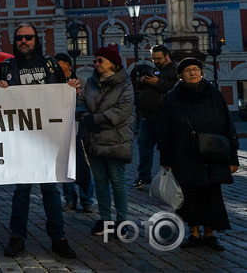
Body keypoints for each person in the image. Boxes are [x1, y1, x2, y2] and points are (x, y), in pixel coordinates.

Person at [0, 23, 78, 259]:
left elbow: (65, 94)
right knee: (22, 190)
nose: (24, 41)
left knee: (51, 190)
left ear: (36, 39)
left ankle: (58, 238)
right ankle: (17, 238)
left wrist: (71, 89)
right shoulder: (8, 66)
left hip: (48, 138)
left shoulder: (49, 65)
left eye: (28, 37)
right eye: (19, 38)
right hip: (20, 139)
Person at [159, 58, 239, 251]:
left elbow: (228, 126)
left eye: (196, 69)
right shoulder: (172, 97)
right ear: (181, 75)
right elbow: (165, 130)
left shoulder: (214, 94)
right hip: (184, 152)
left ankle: (210, 233)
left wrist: (232, 157)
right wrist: (166, 159)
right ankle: (193, 232)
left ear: (202, 72)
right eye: (188, 70)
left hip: (213, 152)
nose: (193, 73)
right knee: (189, 194)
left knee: (212, 193)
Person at [76, 45, 134, 237]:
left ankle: (121, 221)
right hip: (93, 137)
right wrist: (82, 113)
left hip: (115, 139)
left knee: (117, 181)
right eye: (96, 60)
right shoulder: (91, 81)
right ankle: (105, 220)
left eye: (101, 60)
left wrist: (95, 119)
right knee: (100, 181)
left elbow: (123, 110)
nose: (97, 63)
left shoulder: (125, 83)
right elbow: (81, 100)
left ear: (113, 64)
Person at [132, 45, 177, 190]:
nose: (156, 61)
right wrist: (143, 81)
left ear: (167, 56)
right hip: (147, 117)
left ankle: (170, 180)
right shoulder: (154, 69)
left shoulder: (175, 70)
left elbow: (175, 88)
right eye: (154, 58)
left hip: (164, 118)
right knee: (144, 148)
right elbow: (142, 87)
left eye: (158, 58)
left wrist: (157, 82)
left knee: (166, 150)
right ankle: (143, 177)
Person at [54, 53, 94, 214]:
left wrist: (78, 94)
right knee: (66, 165)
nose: (57, 67)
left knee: (83, 165)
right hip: (62, 128)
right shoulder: (54, 83)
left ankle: (87, 200)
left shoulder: (82, 81)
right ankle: (70, 199)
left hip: (80, 128)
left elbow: (90, 103)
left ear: (68, 65)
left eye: (60, 64)